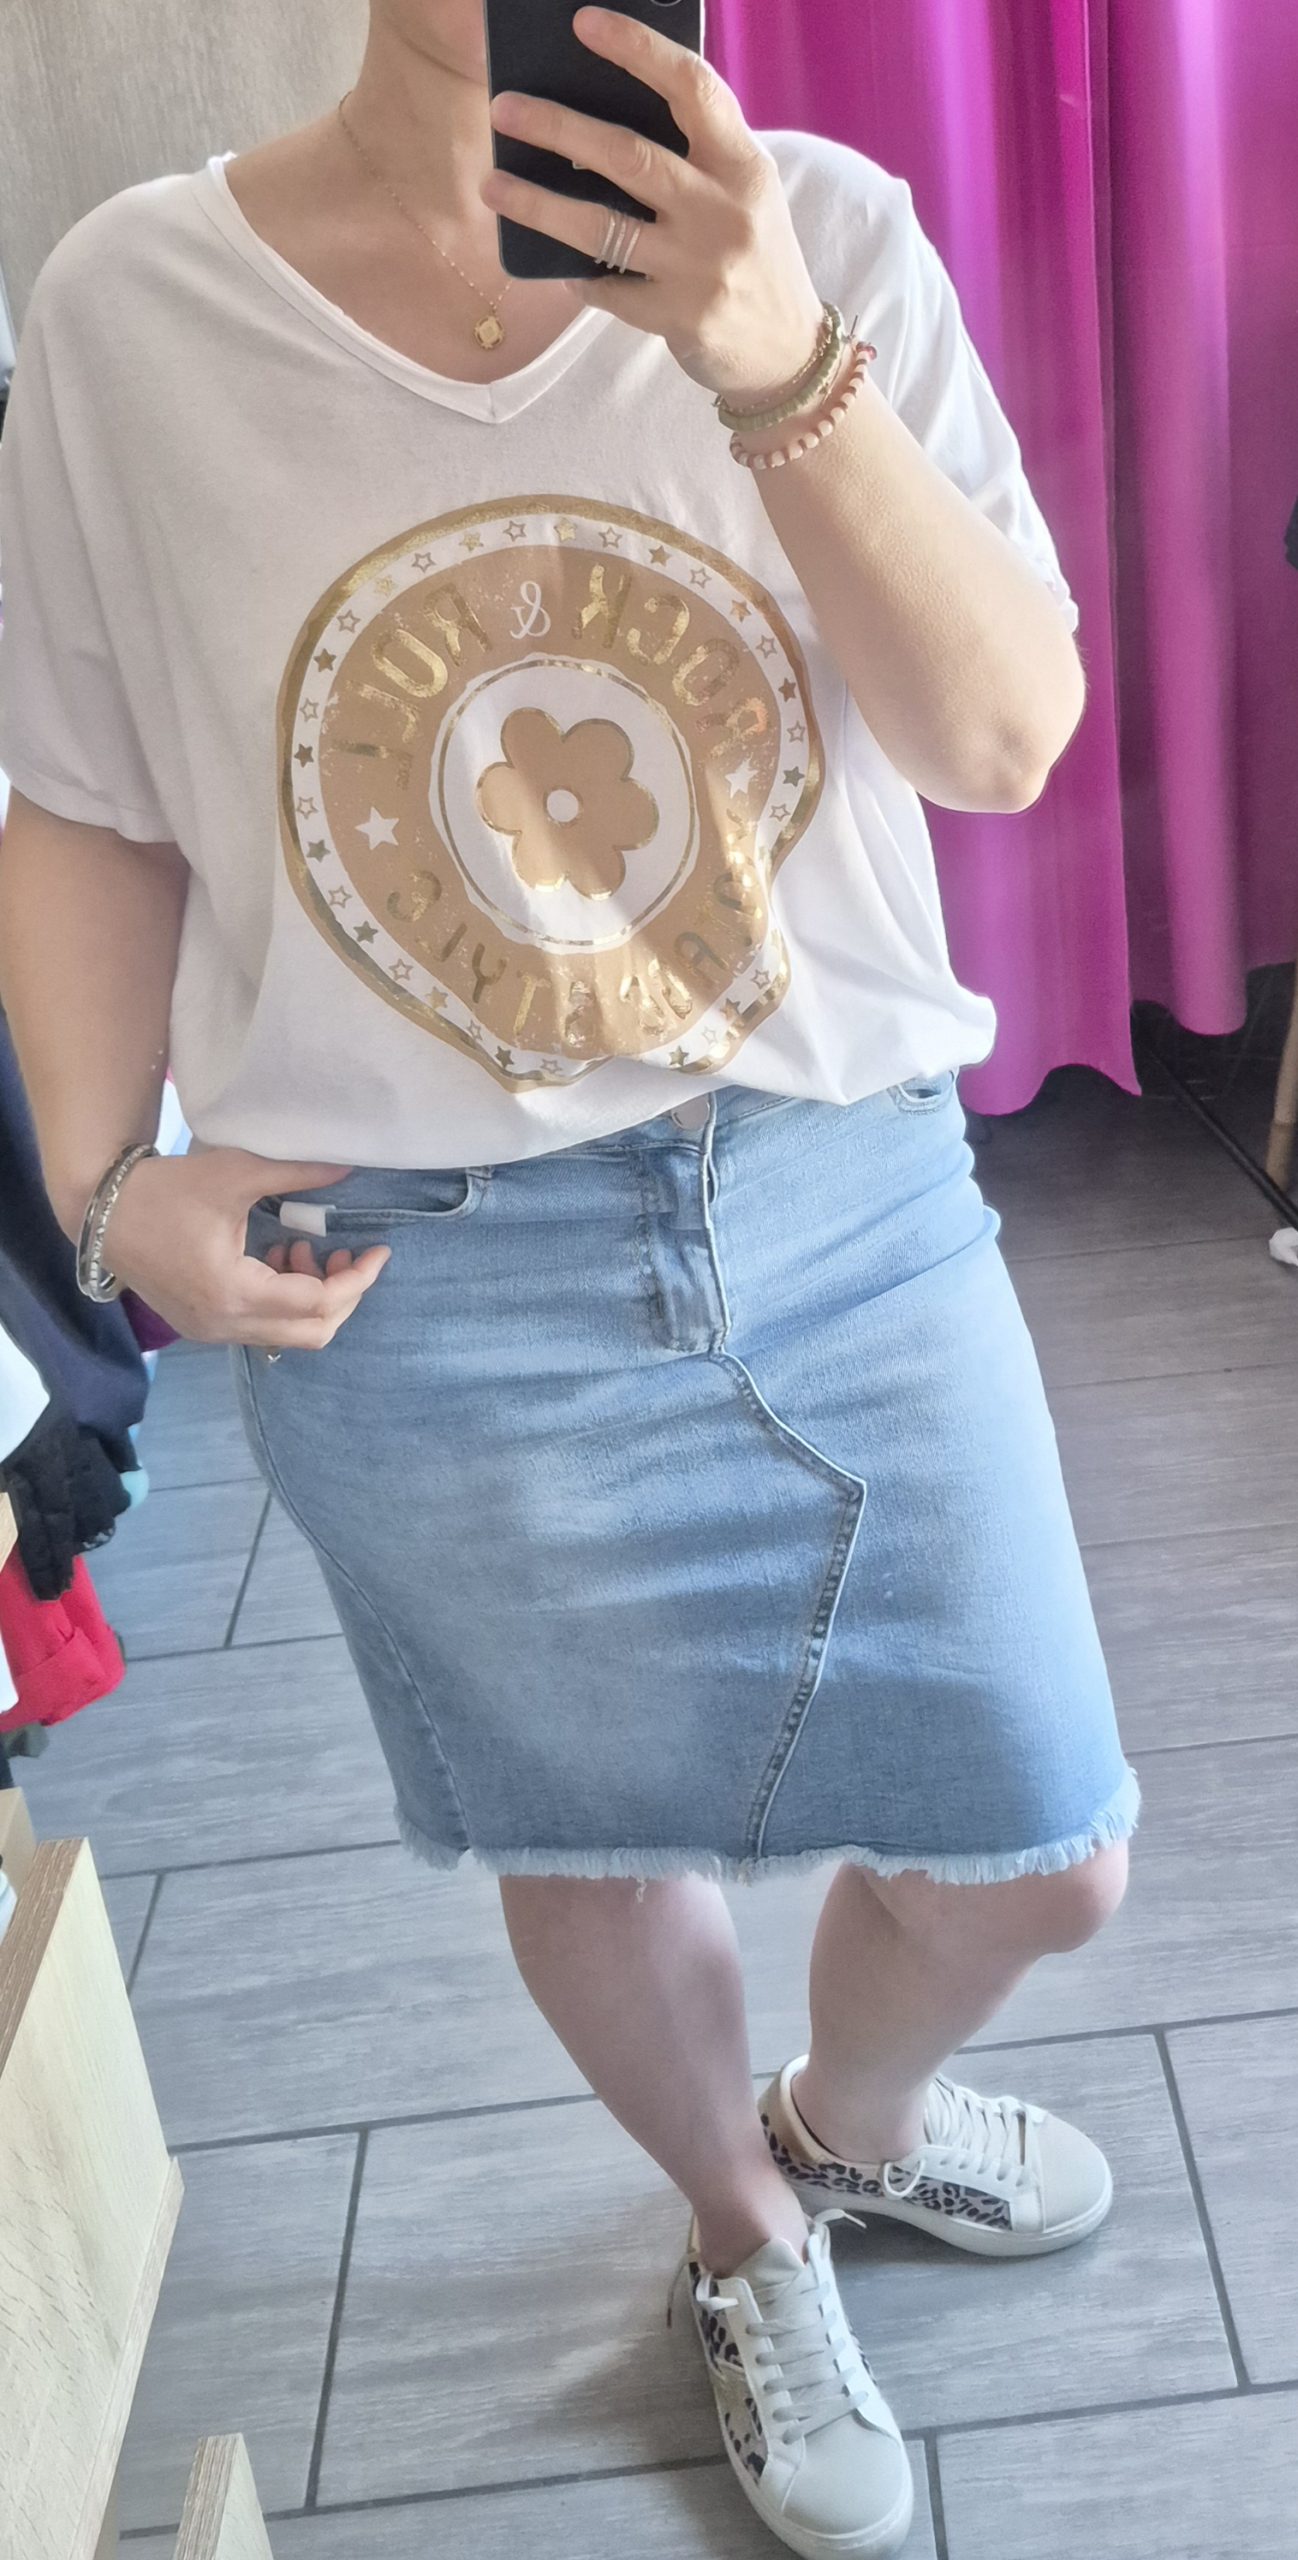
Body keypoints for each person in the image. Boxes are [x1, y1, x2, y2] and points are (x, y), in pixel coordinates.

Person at [0, 5, 1138, 2552]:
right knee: (595, 1834)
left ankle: (845, 2124)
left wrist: (770, 357)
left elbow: (1000, 734)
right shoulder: (131, 308)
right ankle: (742, 2234)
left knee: (1044, 1845)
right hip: (415, 1284)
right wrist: (99, 1189)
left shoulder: (826, 236)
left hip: (839, 1200)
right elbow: (79, 797)